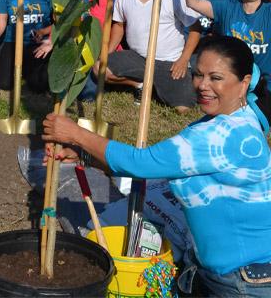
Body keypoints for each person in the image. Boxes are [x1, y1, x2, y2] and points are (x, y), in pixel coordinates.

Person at [43, 35, 271, 298]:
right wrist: (85, 156)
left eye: (215, 78)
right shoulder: (238, 119)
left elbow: (141, 163)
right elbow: (155, 165)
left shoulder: (222, 135)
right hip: (233, 272)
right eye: (198, 75)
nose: (202, 86)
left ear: (243, 84)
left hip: (243, 282)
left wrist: (76, 134)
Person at [106, 0, 200, 111]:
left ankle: (158, 86)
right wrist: (109, 52)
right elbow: (119, 25)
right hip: (138, 58)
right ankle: (140, 85)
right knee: (100, 69)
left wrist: (183, 60)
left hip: (169, 61)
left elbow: (195, 29)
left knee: (183, 109)